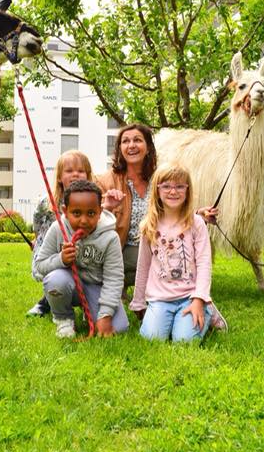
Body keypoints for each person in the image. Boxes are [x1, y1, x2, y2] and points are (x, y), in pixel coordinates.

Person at [33, 180, 128, 339]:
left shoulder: (110, 238)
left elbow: (114, 278)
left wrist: (105, 314)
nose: (83, 220)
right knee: (55, 280)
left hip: (96, 287)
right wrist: (61, 260)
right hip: (68, 283)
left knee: (119, 328)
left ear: (100, 212)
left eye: (91, 213)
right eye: (76, 213)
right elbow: (40, 266)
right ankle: (64, 318)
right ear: (65, 210)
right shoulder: (58, 229)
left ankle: (91, 311)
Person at [130, 164, 214, 342]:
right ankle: (166, 319)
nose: (173, 191)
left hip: (189, 296)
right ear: (157, 190)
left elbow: (204, 263)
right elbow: (143, 265)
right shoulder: (149, 225)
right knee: (152, 338)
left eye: (179, 186)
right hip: (160, 298)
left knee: (183, 341)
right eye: (166, 186)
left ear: (187, 190)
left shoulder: (196, 223)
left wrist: (199, 299)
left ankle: (207, 310)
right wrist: (138, 301)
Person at [26, 150, 93, 317]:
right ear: (59, 177)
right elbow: (38, 221)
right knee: (57, 274)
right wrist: (37, 239)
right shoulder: (47, 201)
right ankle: (47, 302)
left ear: (88, 175)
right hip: (54, 247)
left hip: (82, 249)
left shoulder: (93, 200)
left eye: (80, 171)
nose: (75, 174)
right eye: (69, 171)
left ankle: (89, 304)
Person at [97, 123, 157, 293]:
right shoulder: (104, 181)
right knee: (158, 260)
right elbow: (92, 221)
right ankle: (115, 285)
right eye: (125, 141)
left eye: (137, 140)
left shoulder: (160, 179)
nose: (131, 145)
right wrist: (107, 207)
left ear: (148, 147)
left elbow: (175, 210)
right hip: (119, 249)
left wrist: (198, 214)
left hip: (156, 244)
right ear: (120, 149)